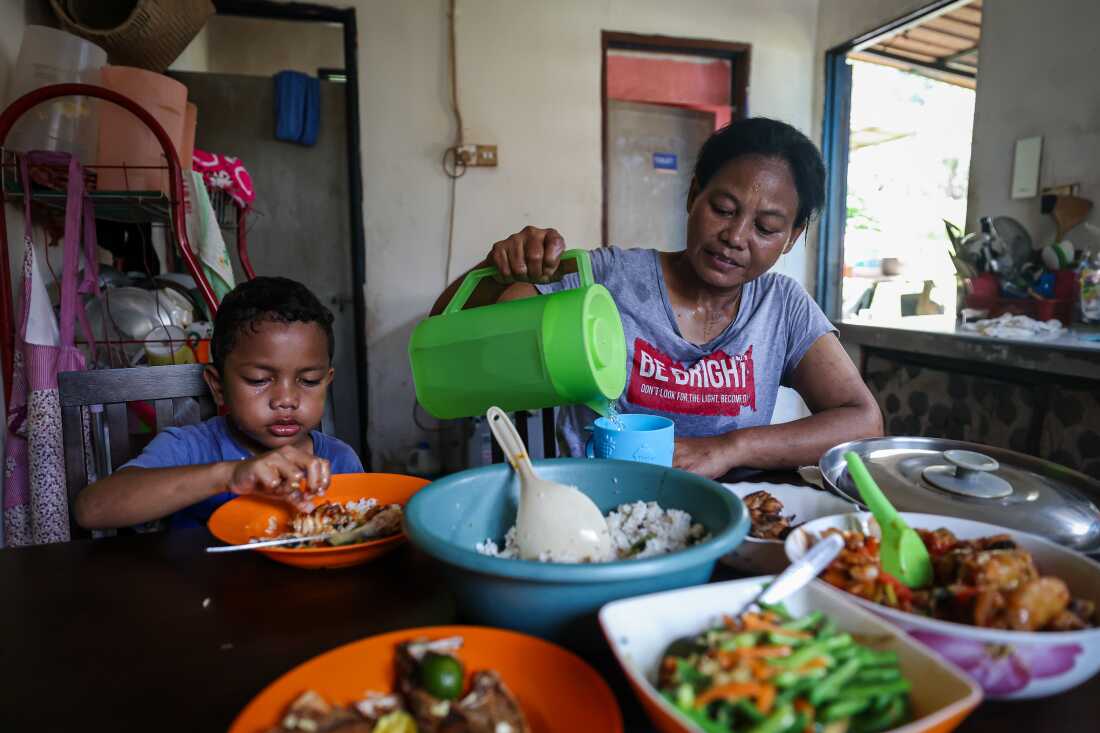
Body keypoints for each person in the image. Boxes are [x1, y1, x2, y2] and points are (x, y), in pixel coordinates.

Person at [432, 117, 882, 479]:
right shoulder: (603, 278)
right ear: (693, 196)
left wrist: (730, 448)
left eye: (766, 227)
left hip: (730, 519)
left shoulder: (782, 306)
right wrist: (495, 270)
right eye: (723, 209)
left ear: (791, 238)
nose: (735, 237)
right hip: (599, 508)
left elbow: (863, 420)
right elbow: (443, 337)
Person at [74, 277, 363, 530]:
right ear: (218, 386)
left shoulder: (338, 461)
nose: (286, 400)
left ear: (326, 381)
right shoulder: (189, 448)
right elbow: (91, 510)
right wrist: (229, 475)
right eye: (259, 379)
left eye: (309, 380)